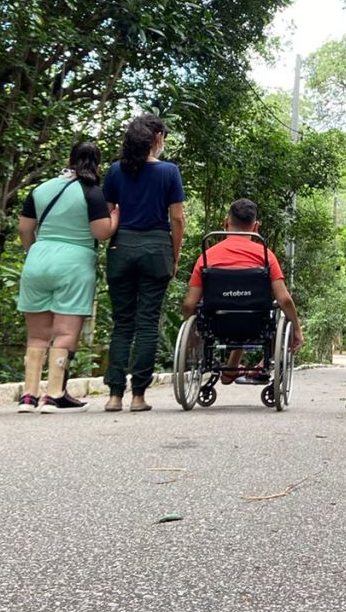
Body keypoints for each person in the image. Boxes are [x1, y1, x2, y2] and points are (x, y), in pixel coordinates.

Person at [16, 140, 116, 413]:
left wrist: (34, 253)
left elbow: (25, 229)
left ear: (70, 161)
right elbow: (102, 232)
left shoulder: (41, 189)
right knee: (64, 333)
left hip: (37, 261)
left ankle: (29, 396)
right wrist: (116, 214)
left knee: (37, 336)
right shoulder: (93, 193)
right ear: (97, 165)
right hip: (74, 263)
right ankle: (54, 394)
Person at [102, 115, 186, 413]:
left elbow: (108, 214)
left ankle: (114, 396)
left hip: (121, 247)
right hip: (156, 248)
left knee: (122, 323)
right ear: (157, 138)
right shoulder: (169, 172)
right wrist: (174, 256)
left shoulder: (114, 172)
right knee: (148, 323)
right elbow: (177, 218)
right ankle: (138, 396)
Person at [181, 198, 303, 381]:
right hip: (255, 324)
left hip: (216, 324)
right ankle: (241, 369)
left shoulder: (207, 257)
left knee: (233, 311)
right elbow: (284, 299)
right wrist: (297, 329)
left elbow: (190, 303)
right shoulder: (266, 257)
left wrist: (192, 335)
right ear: (256, 227)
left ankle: (230, 371)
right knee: (251, 311)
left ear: (225, 223)